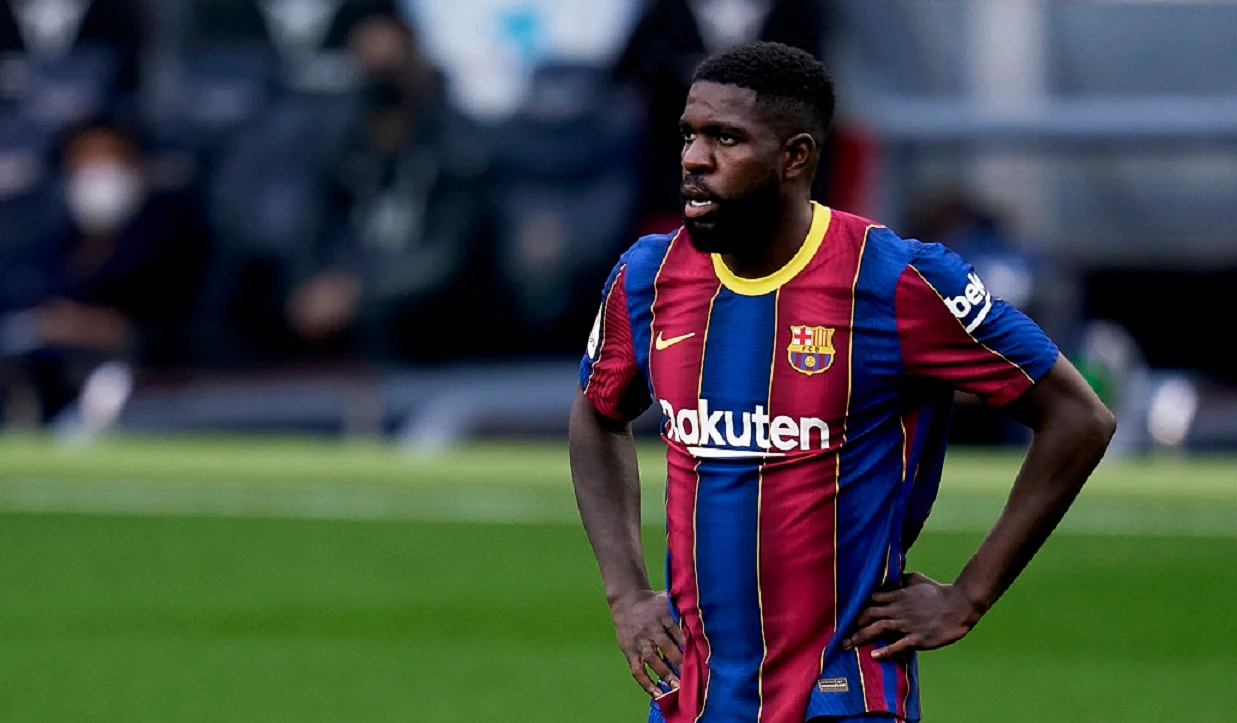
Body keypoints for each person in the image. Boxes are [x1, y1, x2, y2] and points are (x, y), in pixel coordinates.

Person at [569, 42, 1115, 723]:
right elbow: (598, 411)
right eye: (689, 135)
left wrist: (968, 595)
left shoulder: (896, 280)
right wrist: (625, 593)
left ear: (795, 156)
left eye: (725, 138)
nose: (693, 159)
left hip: (845, 696)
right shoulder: (648, 275)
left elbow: (1078, 416)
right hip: (694, 698)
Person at [0, 117, 208, 424]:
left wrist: (119, 332)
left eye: (110, 158)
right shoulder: (46, 249)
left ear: (138, 167)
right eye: (86, 160)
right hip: (45, 392)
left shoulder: (179, 244)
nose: (98, 172)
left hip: (153, 398)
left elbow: (198, 329)